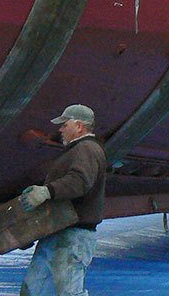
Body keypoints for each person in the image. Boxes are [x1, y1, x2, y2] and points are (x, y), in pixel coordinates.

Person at [17, 104, 107, 296]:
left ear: (79, 126)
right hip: (59, 233)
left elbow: (80, 182)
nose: (60, 129)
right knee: (34, 290)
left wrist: (46, 191)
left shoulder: (87, 149)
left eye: (64, 124)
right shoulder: (80, 150)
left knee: (68, 292)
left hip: (73, 236)